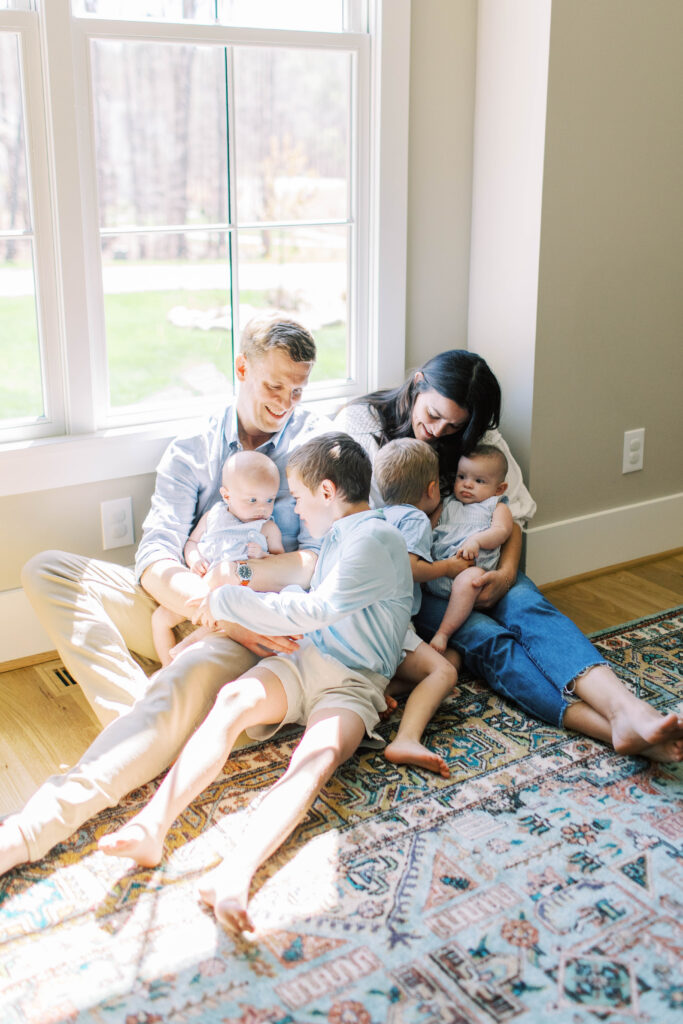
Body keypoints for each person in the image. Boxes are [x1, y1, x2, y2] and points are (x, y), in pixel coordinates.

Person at [1, 312, 333, 877]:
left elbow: (316, 561)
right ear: (241, 367)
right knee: (47, 570)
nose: (285, 403)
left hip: (253, 628)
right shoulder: (192, 449)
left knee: (183, 679)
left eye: (297, 391)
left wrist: (234, 594)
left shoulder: (315, 448)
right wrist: (209, 606)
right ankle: (155, 724)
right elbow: (153, 558)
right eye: (275, 386)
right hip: (189, 606)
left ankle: (30, 830)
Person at [96, 433, 414, 934]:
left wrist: (223, 601)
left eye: (299, 497)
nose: (295, 509)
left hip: (353, 683)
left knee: (316, 759)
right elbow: (299, 580)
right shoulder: (339, 537)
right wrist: (234, 572)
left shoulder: (377, 540)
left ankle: (236, 873)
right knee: (232, 701)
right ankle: (152, 825)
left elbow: (316, 608)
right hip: (307, 659)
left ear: (327, 491)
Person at [336, 350, 683, 762]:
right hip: (415, 582)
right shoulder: (363, 426)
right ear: (417, 384)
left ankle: (627, 708)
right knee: (487, 640)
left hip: (483, 564)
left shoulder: (479, 437)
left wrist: (505, 574)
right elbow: (357, 533)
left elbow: (512, 518)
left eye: (454, 426)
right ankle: (609, 729)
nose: (438, 431)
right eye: (433, 415)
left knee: (530, 608)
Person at [372, 437, 461, 777]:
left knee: (451, 657)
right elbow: (411, 567)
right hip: (390, 625)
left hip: (365, 625)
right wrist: (448, 567)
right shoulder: (414, 519)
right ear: (432, 488)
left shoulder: (374, 515)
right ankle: (406, 738)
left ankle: (380, 692)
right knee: (446, 671)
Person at [151, 450, 284, 665]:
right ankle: (166, 663)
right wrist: (194, 559)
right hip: (200, 587)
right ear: (226, 496)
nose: (262, 507)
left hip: (237, 594)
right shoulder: (212, 516)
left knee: (223, 619)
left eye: (270, 499)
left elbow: (280, 562)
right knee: (160, 618)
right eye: (252, 500)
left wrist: (263, 555)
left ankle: (190, 645)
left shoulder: (267, 528)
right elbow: (192, 543)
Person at [427, 445, 513, 654]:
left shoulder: (496, 506)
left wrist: (476, 541)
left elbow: (502, 531)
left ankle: (443, 633)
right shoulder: (447, 504)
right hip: (436, 570)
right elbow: (428, 530)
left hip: (470, 574)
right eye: (462, 476)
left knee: (470, 580)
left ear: (499, 489)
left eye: (479, 481)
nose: (467, 484)